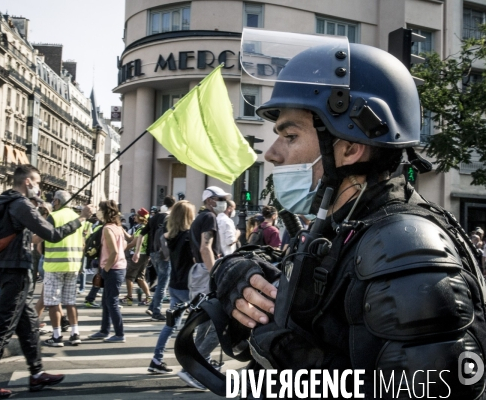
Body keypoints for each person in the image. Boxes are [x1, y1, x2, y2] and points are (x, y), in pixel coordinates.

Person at [199, 33, 486, 397]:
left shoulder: (402, 246)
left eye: (289, 135)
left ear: (349, 148)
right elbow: (308, 270)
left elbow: (433, 389)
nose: (271, 154)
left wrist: (301, 365)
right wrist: (238, 271)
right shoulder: (348, 227)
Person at [0, 164, 94, 399]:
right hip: (16, 270)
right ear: (27, 182)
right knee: (3, 328)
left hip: (8, 266)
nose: (39, 187)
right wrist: (81, 218)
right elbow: (52, 234)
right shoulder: (21, 204)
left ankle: (36, 374)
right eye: (36, 182)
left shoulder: (3, 201)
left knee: (29, 327)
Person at [178, 186, 227, 390]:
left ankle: (198, 367)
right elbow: (205, 247)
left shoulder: (200, 217)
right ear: (210, 201)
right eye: (220, 198)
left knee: (204, 322)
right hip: (206, 272)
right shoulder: (209, 217)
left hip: (199, 271)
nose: (223, 202)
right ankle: (194, 368)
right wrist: (215, 272)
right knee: (221, 323)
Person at [148, 200, 196, 374]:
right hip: (188, 286)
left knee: (171, 325)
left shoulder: (170, 236)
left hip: (175, 284)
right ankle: (195, 363)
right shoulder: (190, 236)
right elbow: (196, 261)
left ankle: (156, 359)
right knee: (196, 326)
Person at [39, 190, 86, 347]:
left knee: (53, 302)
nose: (53, 203)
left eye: (54, 200)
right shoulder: (77, 218)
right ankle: (75, 333)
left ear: (57, 201)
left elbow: (42, 238)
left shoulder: (54, 216)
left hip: (54, 265)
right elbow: (82, 242)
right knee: (70, 302)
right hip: (73, 265)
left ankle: (57, 336)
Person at [88, 200, 127, 343]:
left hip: (113, 268)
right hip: (118, 268)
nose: (97, 212)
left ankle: (119, 333)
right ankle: (104, 330)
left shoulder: (107, 229)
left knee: (112, 302)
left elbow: (114, 252)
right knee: (106, 301)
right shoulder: (118, 227)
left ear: (104, 212)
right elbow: (124, 245)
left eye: (99, 209)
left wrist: (105, 269)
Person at [133, 196, 176, 320]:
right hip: (164, 254)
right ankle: (156, 311)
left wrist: (137, 252)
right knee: (163, 283)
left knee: (161, 280)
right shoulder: (170, 218)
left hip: (153, 252)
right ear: (174, 205)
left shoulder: (155, 217)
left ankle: (152, 307)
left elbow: (141, 234)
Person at [123, 208, 152, 306]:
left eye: (136, 215)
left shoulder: (142, 228)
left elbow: (133, 243)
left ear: (140, 217)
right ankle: (148, 297)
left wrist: (122, 249)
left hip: (140, 255)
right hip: (144, 255)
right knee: (140, 277)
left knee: (129, 276)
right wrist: (122, 229)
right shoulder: (140, 227)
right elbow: (130, 238)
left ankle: (129, 297)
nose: (134, 217)